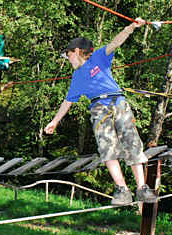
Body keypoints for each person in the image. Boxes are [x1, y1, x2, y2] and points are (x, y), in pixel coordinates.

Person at [44, 18, 157, 206]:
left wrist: (130, 27)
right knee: (107, 147)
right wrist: (55, 121)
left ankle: (142, 188)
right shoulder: (77, 77)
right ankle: (122, 190)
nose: (67, 59)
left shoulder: (98, 58)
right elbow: (68, 101)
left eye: (68, 55)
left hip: (118, 102)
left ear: (77, 51)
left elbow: (115, 42)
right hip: (98, 108)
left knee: (131, 142)